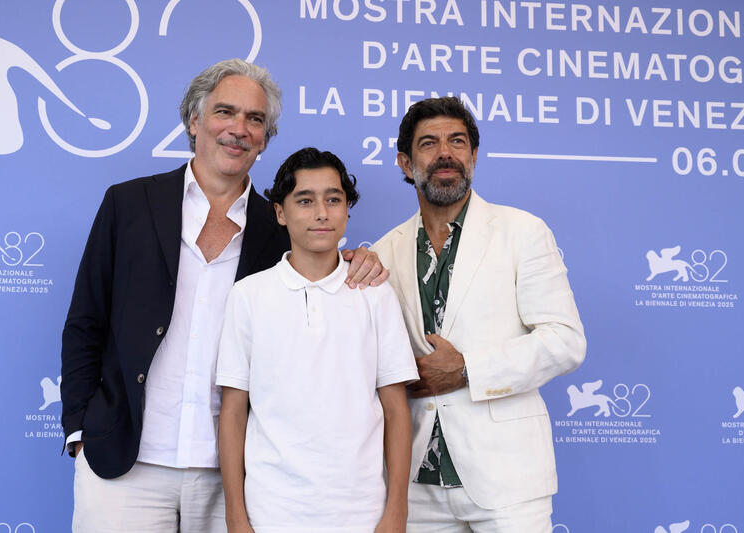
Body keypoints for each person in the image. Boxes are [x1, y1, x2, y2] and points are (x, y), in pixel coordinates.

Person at [60, 59, 388, 533]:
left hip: (237, 476)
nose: (238, 129)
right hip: (124, 462)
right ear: (194, 121)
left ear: (266, 138)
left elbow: (326, 276)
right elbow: (85, 321)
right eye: (225, 112)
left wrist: (364, 258)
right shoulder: (127, 204)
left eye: (255, 119)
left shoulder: (282, 229)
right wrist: (80, 430)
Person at [371, 96, 587, 532]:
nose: (445, 153)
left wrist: (468, 370)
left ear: (473, 155)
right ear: (405, 162)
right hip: (415, 483)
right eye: (429, 144)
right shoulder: (383, 252)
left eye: (458, 141)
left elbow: (565, 341)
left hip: (508, 481)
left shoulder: (523, 232)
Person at [216, 147, 418, 533]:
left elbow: (395, 411)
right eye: (305, 201)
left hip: (361, 513)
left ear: (346, 209)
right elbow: (233, 411)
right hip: (271, 512)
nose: (322, 213)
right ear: (280, 212)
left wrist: (396, 512)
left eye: (333, 199)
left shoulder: (375, 294)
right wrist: (236, 517)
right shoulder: (248, 296)